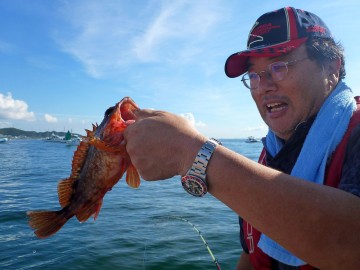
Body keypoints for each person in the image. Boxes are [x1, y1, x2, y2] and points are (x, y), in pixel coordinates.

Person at [123, 6, 360, 269]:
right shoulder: (267, 157)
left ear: (331, 68)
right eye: (254, 76)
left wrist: (191, 153)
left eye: (279, 66)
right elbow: (250, 253)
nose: (264, 86)